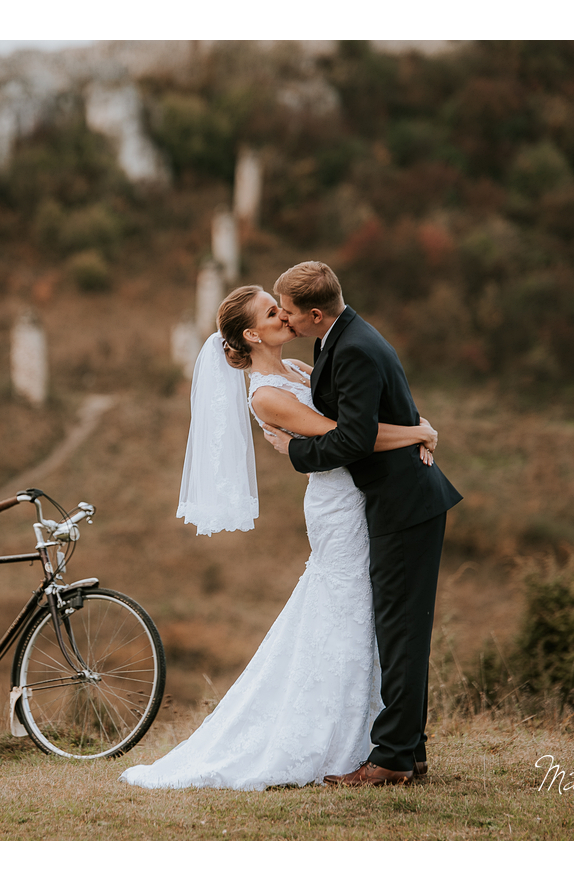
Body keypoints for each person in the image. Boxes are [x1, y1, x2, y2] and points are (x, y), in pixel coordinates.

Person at [120, 285, 437, 791]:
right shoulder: (267, 394)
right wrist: (418, 433)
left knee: (362, 615)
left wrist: (407, 426)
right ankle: (343, 742)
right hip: (337, 507)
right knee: (345, 607)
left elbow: (359, 419)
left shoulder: (298, 371)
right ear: (252, 334)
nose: (284, 316)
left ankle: (379, 740)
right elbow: (349, 438)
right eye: (273, 312)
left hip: (358, 496)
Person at [262, 261, 462, 787]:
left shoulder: (352, 349)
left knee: (400, 632)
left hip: (404, 505)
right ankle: (410, 749)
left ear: (314, 313)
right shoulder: (338, 338)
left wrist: (295, 449)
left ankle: (393, 757)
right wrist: (418, 431)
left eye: (288, 312)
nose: (283, 318)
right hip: (396, 499)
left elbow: (353, 438)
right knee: (399, 628)